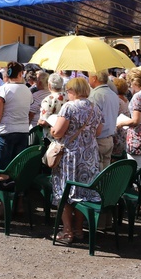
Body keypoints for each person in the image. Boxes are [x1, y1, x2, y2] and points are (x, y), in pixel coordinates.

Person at [51, 77, 102, 244]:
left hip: (70, 155)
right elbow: (99, 131)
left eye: (68, 91)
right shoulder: (95, 107)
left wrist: (52, 130)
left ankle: (67, 231)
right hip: (90, 155)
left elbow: (58, 132)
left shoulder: (69, 107)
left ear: (73, 91)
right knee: (83, 193)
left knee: (65, 191)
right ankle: (79, 229)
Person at [0, 62, 33, 170]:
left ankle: (2, 183)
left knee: (3, 168)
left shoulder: (3, 89)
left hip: (6, 131)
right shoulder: (27, 91)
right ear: (20, 74)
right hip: (23, 131)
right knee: (17, 167)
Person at [88, 69, 120, 169]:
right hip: (109, 138)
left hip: (99, 139)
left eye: (89, 77)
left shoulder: (95, 95)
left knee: (98, 172)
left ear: (94, 78)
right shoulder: (113, 94)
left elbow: (92, 119)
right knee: (106, 170)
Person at [37, 73, 66, 140]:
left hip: (52, 136)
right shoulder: (68, 97)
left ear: (49, 85)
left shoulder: (49, 99)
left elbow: (44, 121)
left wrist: (39, 122)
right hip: (65, 133)